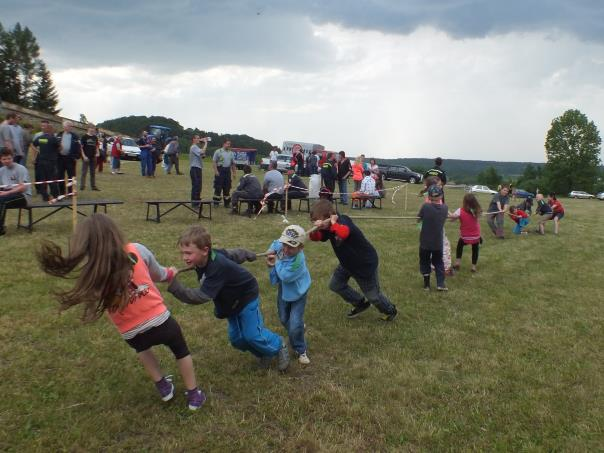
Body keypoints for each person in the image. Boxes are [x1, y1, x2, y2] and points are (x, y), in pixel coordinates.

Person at [36, 214, 205, 410]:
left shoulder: (94, 269)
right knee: (181, 352)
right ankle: (194, 395)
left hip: (130, 331)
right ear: (115, 232)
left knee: (143, 349)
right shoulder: (137, 249)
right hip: (160, 321)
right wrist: (170, 274)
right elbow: (158, 273)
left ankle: (163, 386)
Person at [167, 225, 290, 371]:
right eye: (183, 253)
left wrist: (175, 286)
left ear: (205, 250)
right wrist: (245, 254)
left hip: (245, 296)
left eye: (188, 253)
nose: (184, 257)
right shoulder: (207, 257)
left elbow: (200, 296)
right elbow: (231, 254)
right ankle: (264, 352)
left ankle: (278, 345)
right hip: (229, 303)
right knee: (237, 340)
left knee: (252, 335)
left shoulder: (216, 267)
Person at [309, 199, 398, 321]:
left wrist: (334, 223)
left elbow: (343, 233)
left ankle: (390, 310)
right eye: (314, 221)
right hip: (347, 264)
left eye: (318, 220)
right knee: (335, 285)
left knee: (373, 296)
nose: (317, 223)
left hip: (363, 265)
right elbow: (317, 238)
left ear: (329, 216)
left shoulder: (343, 221)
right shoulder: (327, 228)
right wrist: (316, 230)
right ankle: (360, 303)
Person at [266, 225, 312, 365]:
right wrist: (271, 251)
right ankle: (298, 329)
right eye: (285, 245)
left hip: (298, 293)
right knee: (284, 318)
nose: (285, 249)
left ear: (301, 248)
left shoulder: (298, 262)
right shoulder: (282, 245)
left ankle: (300, 349)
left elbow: (285, 276)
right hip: (284, 291)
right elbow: (276, 243)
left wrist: (275, 262)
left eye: (291, 247)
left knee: (294, 324)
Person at [417, 185, 449, 291]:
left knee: (425, 262)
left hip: (425, 242)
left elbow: (419, 218)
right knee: (439, 262)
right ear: (442, 196)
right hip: (438, 243)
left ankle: (426, 285)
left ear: (429, 197)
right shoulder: (445, 208)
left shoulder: (426, 207)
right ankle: (441, 284)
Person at [0, 149, 31, 236]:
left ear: (12, 158)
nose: (7, 161)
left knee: (2, 200)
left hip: (23, 196)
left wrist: (6, 193)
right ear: (0, 160)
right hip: (8, 194)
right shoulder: (1, 170)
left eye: (9, 158)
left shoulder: (21, 169)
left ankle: (0, 229)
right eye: (4, 159)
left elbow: (23, 187)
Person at [450, 193, 482, 272]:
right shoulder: (477, 211)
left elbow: (452, 219)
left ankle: (457, 262)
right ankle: (473, 267)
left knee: (460, 245)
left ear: (464, 202)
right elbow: (479, 214)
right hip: (476, 236)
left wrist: (449, 213)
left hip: (465, 236)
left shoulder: (460, 211)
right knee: (475, 249)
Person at [32, 120, 60, 201]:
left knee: (43, 180)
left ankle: (45, 196)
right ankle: (55, 196)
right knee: (52, 179)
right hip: (51, 162)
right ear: (50, 129)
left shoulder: (40, 138)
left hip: (41, 161)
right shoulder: (53, 138)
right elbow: (60, 148)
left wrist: (38, 151)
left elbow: (33, 144)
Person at [56, 120, 80, 194]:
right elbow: (55, 145)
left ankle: (71, 192)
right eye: (69, 126)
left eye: (71, 126)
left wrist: (76, 157)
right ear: (64, 127)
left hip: (70, 159)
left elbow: (78, 147)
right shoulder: (59, 134)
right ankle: (62, 192)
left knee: (71, 176)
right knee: (60, 176)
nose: (71, 127)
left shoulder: (75, 136)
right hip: (60, 159)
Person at [212, 139, 236, 207]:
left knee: (227, 187)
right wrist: (216, 171)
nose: (228, 145)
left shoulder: (231, 153)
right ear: (224, 144)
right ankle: (216, 203)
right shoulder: (218, 151)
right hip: (220, 170)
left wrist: (234, 173)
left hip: (227, 171)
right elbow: (214, 162)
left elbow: (233, 164)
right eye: (227, 144)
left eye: (229, 144)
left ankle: (227, 203)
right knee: (218, 187)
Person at [189, 135, 208, 208]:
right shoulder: (193, 147)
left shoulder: (197, 147)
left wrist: (203, 145)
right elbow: (202, 152)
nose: (198, 139)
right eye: (197, 138)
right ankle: (194, 203)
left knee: (199, 186)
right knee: (196, 186)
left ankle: (197, 201)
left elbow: (203, 156)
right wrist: (206, 143)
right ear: (193, 139)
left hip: (198, 168)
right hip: (194, 168)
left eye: (199, 138)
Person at [80, 124, 100, 191]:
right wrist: (84, 156)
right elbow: (81, 148)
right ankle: (82, 186)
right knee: (84, 172)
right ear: (88, 128)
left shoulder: (95, 137)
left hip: (93, 157)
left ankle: (93, 186)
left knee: (93, 173)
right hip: (86, 158)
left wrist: (98, 152)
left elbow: (96, 146)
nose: (92, 129)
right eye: (91, 128)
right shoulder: (84, 137)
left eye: (93, 128)